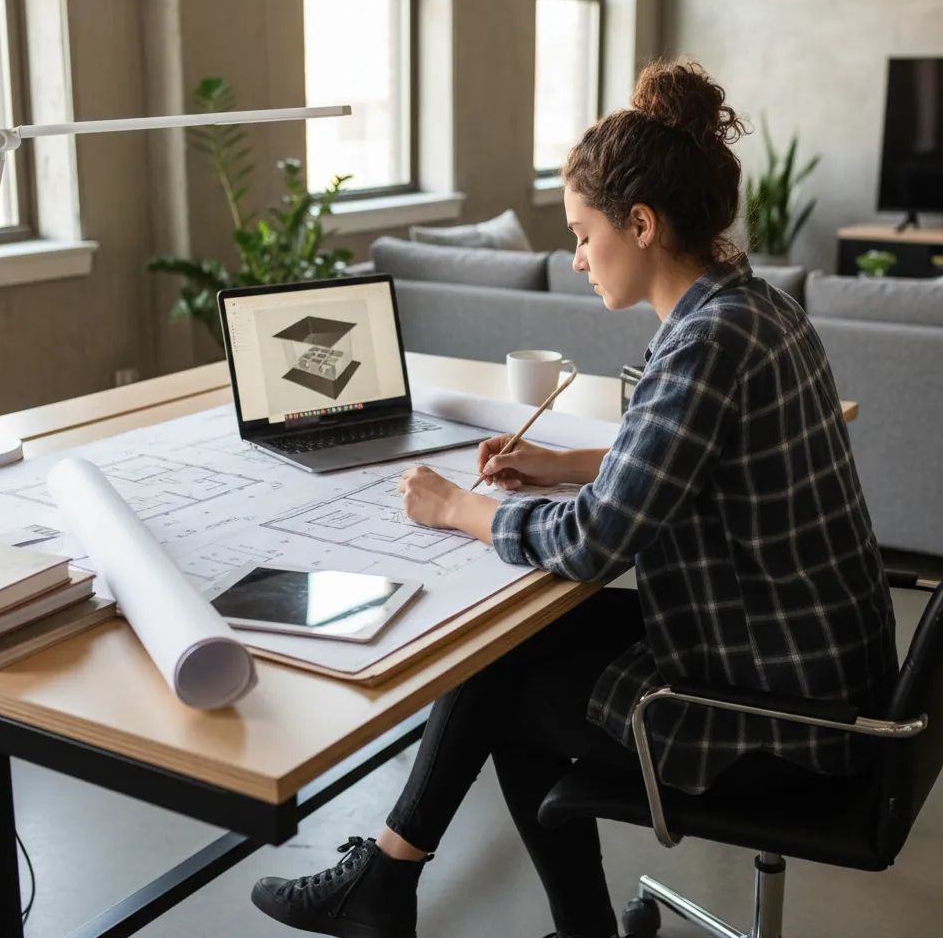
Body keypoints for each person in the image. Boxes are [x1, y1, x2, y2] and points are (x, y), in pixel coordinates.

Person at [250, 60, 898, 938]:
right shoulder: (754, 310)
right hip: (809, 660)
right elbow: (688, 461)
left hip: (779, 713)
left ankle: (419, 888)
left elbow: (596, 544)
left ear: (642, 223)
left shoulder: (706, 344)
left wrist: (456, 508)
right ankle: (398, 881)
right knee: (512, 652)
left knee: (500, 699)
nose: (577, 257)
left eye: (586, 233)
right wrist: (561, 467)